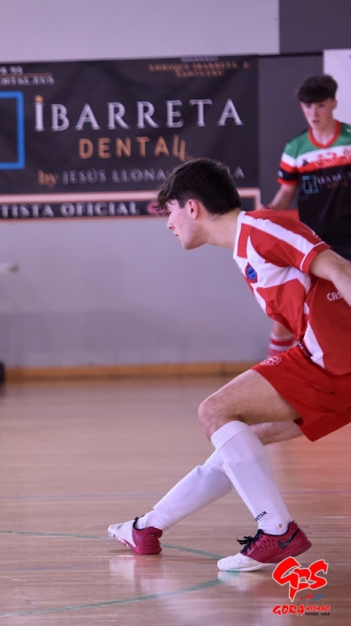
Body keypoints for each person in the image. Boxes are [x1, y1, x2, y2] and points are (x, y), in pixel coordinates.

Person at [108, 158, 351, 572]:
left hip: (334, 361)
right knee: (239, 440)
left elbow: (339, 268)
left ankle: (277, 529)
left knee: (215, 411)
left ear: (192, 207)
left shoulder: (261, 228)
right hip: (327, 362)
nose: (169, 223)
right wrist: (275, 359)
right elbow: (293, 310)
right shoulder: (246, 245)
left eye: (170, 211)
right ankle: (148, 527)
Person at [265, 74, 351, 358]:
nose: (314, 113)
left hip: (349, 239)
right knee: (289, 305)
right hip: (314, 242)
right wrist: (266, 214)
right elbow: (285, 193)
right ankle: (274, 366)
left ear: (334, 104)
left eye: (321, 105)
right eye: (308, 106)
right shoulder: (296, 148)